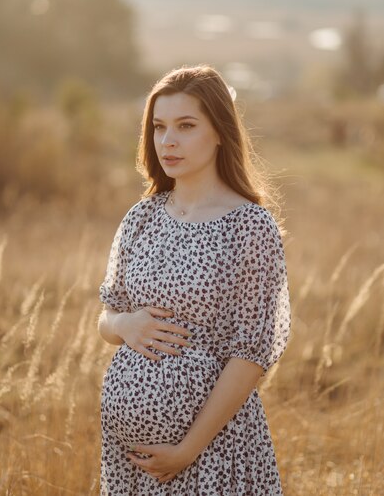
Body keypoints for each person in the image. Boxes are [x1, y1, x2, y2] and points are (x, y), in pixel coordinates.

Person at [97, 65, 291, 495]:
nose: (168, 141)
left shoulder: (249, 227)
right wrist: (125, 325)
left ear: (220, 131)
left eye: (186, 126)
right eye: (159, 127)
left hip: (214, 454)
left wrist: (188, 449)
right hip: (130, 463)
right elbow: (107, 316)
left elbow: (250, 357)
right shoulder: (142, 217)